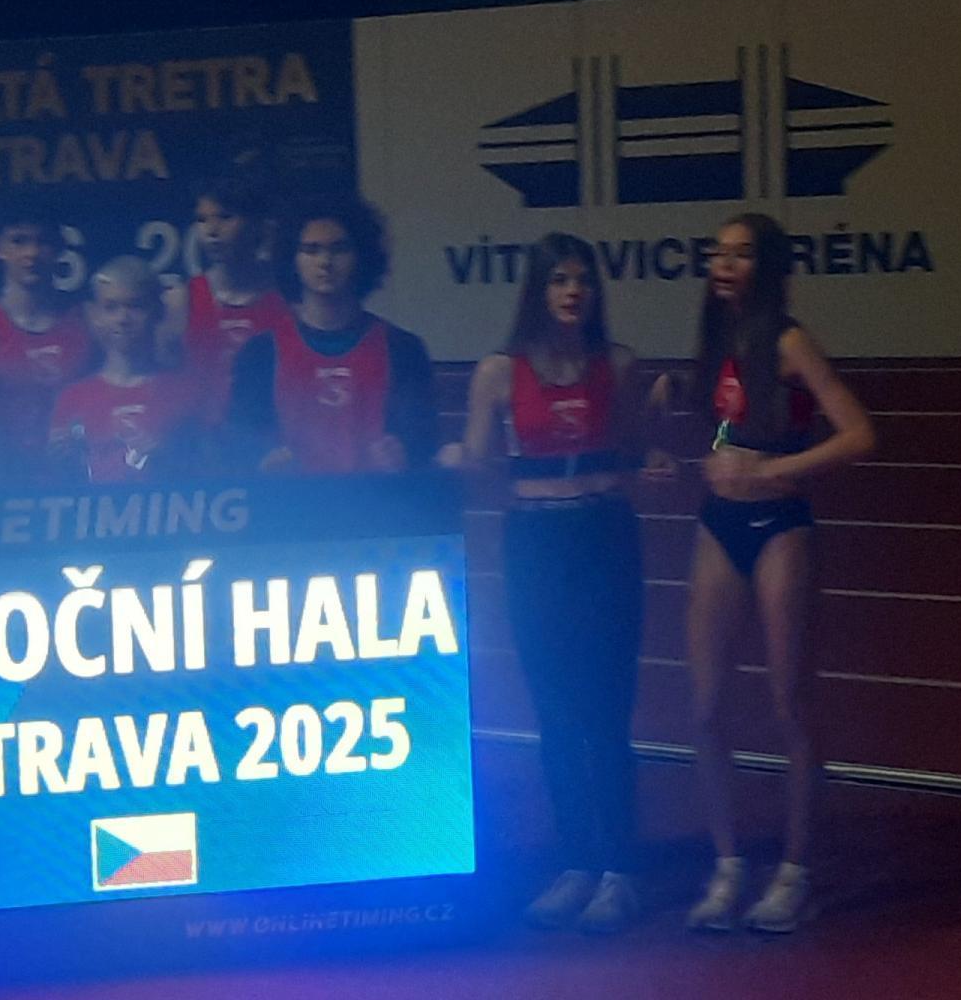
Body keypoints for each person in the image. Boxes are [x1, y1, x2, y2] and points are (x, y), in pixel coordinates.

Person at [659, 213, 876, 934]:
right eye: (718, 253)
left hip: (780, 526)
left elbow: (860, 433)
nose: (725, 265)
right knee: (705, 708)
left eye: (742, 254)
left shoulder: (789, 342)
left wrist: (778, 468)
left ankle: (796, 871)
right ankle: (727, 866)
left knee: (789, 704)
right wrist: (673, 400)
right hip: (718, 526)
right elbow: (723, 420)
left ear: (768, 266)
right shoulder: (718, 339)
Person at [438, 234, 645, 933]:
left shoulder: (618, 365)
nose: (572, 291)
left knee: (607, 707)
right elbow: (479, 461)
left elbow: (636, 449)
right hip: (534, 540)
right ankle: (577, 861)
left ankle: (621, 870)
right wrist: (457, 458)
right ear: (537, 289)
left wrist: (660, 431)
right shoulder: (499, 372)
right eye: (558, 279)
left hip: (603, 534)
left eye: (582, 279)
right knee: (553, 708)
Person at [226, 197, 436, 474]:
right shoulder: (260, 353)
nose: (325, 262)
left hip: (377, 498)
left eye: (338, 249)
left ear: (362, 256)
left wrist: (404, 455)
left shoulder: (403, 349)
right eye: (311, 250)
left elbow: (424, 443)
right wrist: (263, 462)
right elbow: (240, 444)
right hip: (291, 500)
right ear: (292, 260)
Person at [0, 213, 97, 480]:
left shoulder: (89, 322)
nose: (31, 253)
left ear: (59, 247)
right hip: (12, 486)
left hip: (82, 484)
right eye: (19, 241)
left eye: (42, 242)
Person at [50, 257, 203, 483]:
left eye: (135, 306)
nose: (123, 319)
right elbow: (59, 483)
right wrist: (60, 461)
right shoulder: (73, 398)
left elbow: (208, 471)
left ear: (157, 311)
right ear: (95, 315)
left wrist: (169, 460)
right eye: (111, 307)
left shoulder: (185, 393)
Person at [160, 179, 288, 422]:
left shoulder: (286, 298)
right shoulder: (180, 301)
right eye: (202, 220)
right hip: (201, 439)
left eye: (225, 217)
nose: (212, 231)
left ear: (256, 225)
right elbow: (162, 386)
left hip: (267, 434)